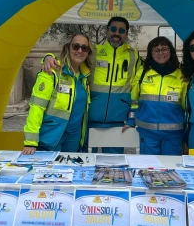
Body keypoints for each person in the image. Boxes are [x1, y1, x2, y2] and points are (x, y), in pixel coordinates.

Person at [42, 17, 142, 153]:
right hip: (90, 119)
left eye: (121, 30)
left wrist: (132, 117)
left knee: (113, 164)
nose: (116, 33)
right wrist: (47, 57)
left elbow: (139, 83)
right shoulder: (93, 52)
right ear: (107, 31)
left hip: (117, 121)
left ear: (126, 34)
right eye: (113, 29)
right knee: (86, 161)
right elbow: (70, 56)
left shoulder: (133, 56)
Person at [22, 33, 92, 155]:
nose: (80, 50)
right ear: (68, 48)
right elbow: (37, 107)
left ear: (88, 52)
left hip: (73, 140)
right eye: (75, 46)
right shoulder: (52, 72)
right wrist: (30, 141)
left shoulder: (85, 77)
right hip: (50, 138)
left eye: (84, 48)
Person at [123, 36, 186, 155]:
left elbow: (186, 106)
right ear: (150, 53)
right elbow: (134, 101)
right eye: (156, 50)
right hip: (148, 135)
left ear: (170, 51)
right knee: (149, 170)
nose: (160, 53)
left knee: (170, 169)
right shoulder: (142, 73)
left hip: (173, 137)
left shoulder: (182, 75)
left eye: (164, 49)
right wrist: (131, 121)